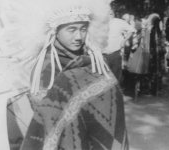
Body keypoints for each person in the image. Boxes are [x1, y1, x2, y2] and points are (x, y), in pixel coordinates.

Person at [19, 0, 129, 150]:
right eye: (71, 30)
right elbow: (46, 118)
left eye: (83, 29)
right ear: (55, 31)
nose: (78, 36)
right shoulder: (46, 68)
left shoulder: (94, 61)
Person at [102, 9, 136, 84]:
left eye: (111, 14)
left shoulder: (119, 22)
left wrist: (124, 40)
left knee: (116, 77)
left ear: (114, 14)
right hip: (102, 56)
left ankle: (117, 93)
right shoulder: (100, 22)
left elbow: (131, 30)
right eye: (107, 14)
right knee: (103, 78)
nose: (109, 16)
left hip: (115, 54)